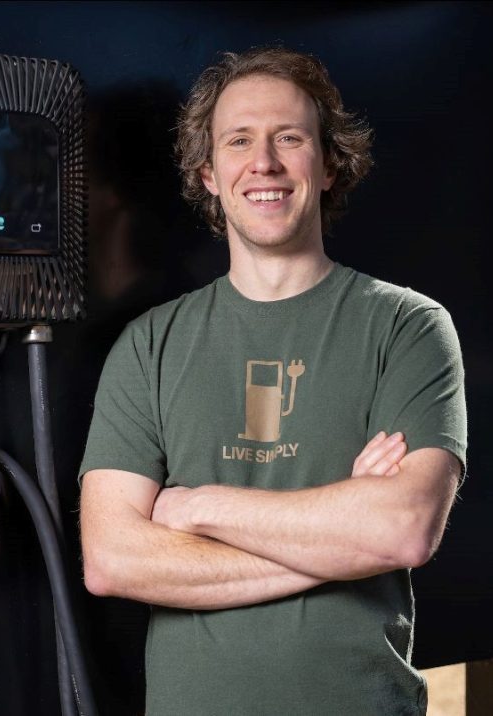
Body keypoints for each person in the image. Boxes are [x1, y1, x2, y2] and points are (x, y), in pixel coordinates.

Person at [78, 47, 467, 716]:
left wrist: (197, 508)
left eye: (289, 138)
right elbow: (113, 560)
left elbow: (402, 530)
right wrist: (343, 537)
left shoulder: (409, 327)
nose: (265, 162)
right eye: (239, 141)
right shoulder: (148, 346)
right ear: (208, 173)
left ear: (328, 165)